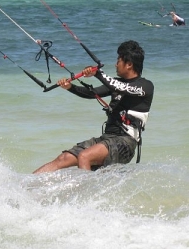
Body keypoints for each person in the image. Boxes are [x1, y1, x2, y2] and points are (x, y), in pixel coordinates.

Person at [33, 40, 154, 174]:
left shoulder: (145, 86)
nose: (115, 64)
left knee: (85, 156)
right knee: (64, 158)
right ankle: (23, 186)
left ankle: (85, 194)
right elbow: (92, 93)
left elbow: (120, 87)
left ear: (129, 64)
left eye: (118, 60)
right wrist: (70, 87)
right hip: (107, 138)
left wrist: (98, 73)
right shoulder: (116, 82)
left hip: (124, 143)